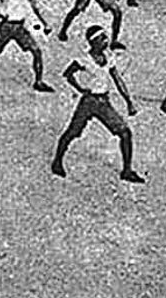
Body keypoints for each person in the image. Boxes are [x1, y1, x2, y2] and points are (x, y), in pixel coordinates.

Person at [51, 25, 144, 183]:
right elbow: (68, 74)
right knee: (73, 132)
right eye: (102, 39)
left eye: (106, 37)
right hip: (88, 102)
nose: (106, 41)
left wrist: (129, 102)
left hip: (104, 102)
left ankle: (127, 170)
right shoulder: (84, 59)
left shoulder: (108, 58)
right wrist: (80, 88)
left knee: (125, 133)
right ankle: (57, 161)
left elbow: (118, 80)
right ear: (93, 42)